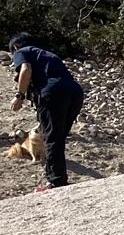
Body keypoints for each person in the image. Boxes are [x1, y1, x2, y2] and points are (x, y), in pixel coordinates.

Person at [7, 33, 85, 191]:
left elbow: (26, 69)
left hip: (53, 93)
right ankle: (57, 178)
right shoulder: (48, 54)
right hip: (75, 92)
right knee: (58, 137)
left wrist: (19, 96)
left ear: (15, 47)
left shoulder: (22, 52)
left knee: (52, 138)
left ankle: (56, 181)